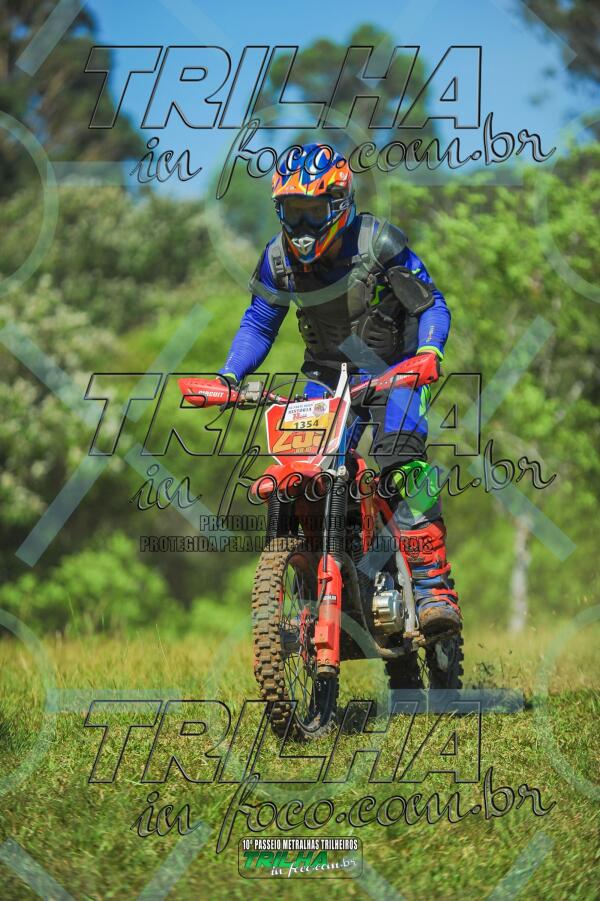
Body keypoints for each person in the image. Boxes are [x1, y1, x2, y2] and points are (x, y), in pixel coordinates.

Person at [219, 143, 460, 636]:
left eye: (313, 211)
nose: (303, 226)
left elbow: (430, 304)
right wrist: (229, 376)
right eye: (293, 212)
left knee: (402, 465)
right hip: (327, 376)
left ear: (340, 203)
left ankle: (433, 589)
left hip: (396, 370)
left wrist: (429, 353)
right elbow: (260, 322)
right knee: (301, 474)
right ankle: (317, 580)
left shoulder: (379, 244)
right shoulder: (277, 259)